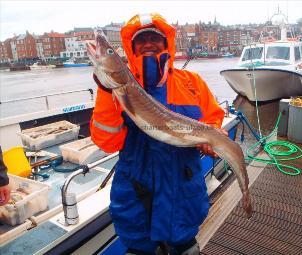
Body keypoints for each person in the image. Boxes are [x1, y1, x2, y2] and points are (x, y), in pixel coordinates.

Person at [91, 13, 225, 255]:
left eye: (155, 38)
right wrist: (105, 89)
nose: (148, 44)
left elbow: (213, 117)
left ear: (167, 44)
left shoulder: (191, 82)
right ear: (131, 48)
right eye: (141, 40)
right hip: (137, 199)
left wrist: (209, 140)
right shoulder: (117, 90)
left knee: (186, 247)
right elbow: (107, 142)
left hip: (183, 197)